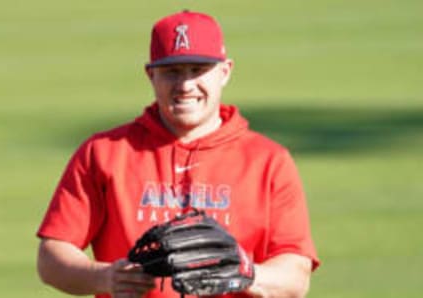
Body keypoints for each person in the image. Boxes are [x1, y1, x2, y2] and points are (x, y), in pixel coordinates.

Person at [36, 10, 320, 298]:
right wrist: (105, 277)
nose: (185, 85)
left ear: (225, 72)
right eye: (172, 71)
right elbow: (51, 257)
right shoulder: (103, 153)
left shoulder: (269, 161)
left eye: (197, 70)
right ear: (151, 75)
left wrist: (247, 273)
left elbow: (296, 276)